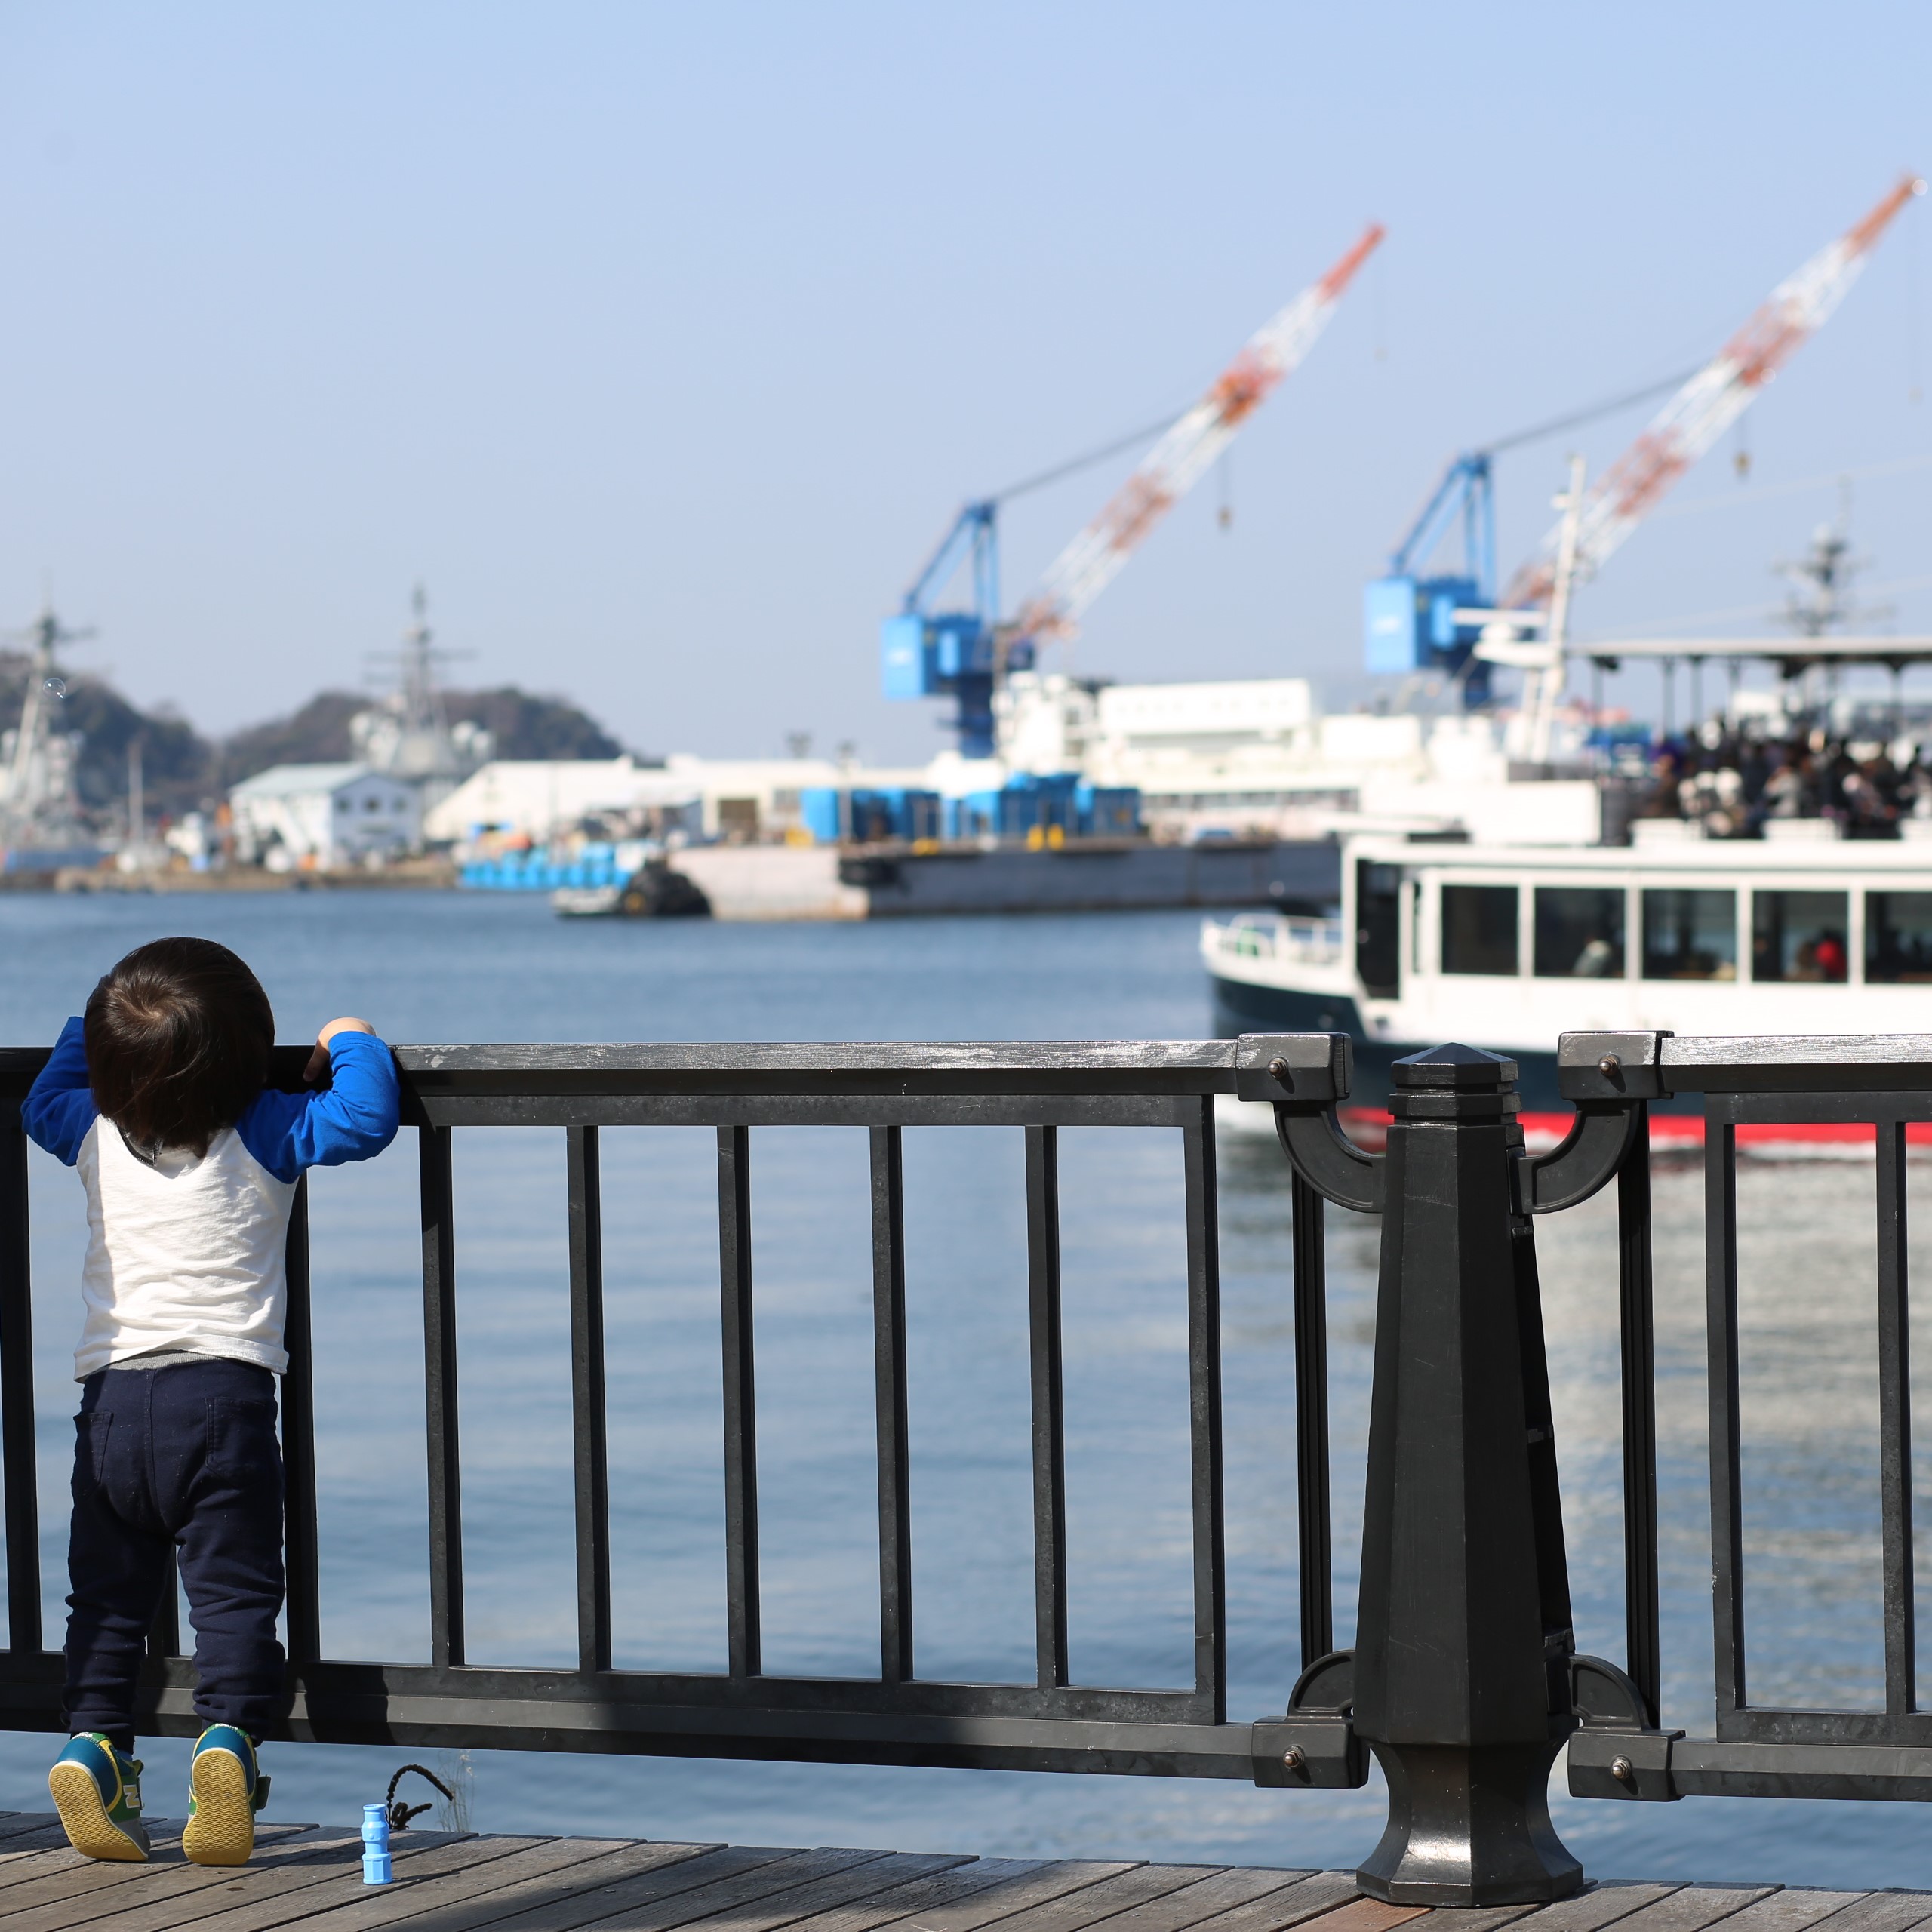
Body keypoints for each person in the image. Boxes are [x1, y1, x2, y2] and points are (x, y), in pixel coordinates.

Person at [20, 938, 399, 1867]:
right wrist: (348, 1034)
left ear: (112, 1063)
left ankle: (94, 1745)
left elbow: (43, 1094)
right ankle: (226, 1743)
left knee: (106, 1600)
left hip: (111, 1403)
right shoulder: (268, 1126)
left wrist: (93, 1021)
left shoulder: (88, 1128)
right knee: (232, 1598)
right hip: (223, 1399)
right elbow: (366, 1115)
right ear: (243, 1054)